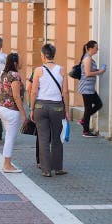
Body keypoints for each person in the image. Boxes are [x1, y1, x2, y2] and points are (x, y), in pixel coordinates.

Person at [29, 43, 69, 177]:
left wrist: (32, 108)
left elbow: (34, 91)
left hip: (41, 106)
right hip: (57, 107)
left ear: (43, 56)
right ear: (53, 55)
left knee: (43, 138)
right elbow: (65, 92)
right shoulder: (62, 70)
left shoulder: (38, 70)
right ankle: (58, 167)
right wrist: (67, 111)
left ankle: (46, 169)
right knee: (57, 138)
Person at [0, 53, 26, 173]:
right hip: (11, 110)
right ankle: (7, 164)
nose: (22, 63)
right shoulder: (14, 75)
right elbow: (16, 96)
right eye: (20, 61)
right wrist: (24, 114)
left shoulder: (4, 74)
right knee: (10, 138)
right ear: (15, 63)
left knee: (9, 136)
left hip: (2, 108)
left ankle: (6, 163)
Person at [78, 40, 104, 137]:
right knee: (89, 108)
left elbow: (88, 71)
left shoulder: (88, 58)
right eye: (96, 48)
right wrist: (100, 72)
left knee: (98, 104)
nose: (97, 50)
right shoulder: (87, 59)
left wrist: (97, 70)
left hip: (89, 88)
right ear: (90, 48)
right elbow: (88, 73)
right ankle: (85, 130)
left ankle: (84, 121)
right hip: (86, 87)